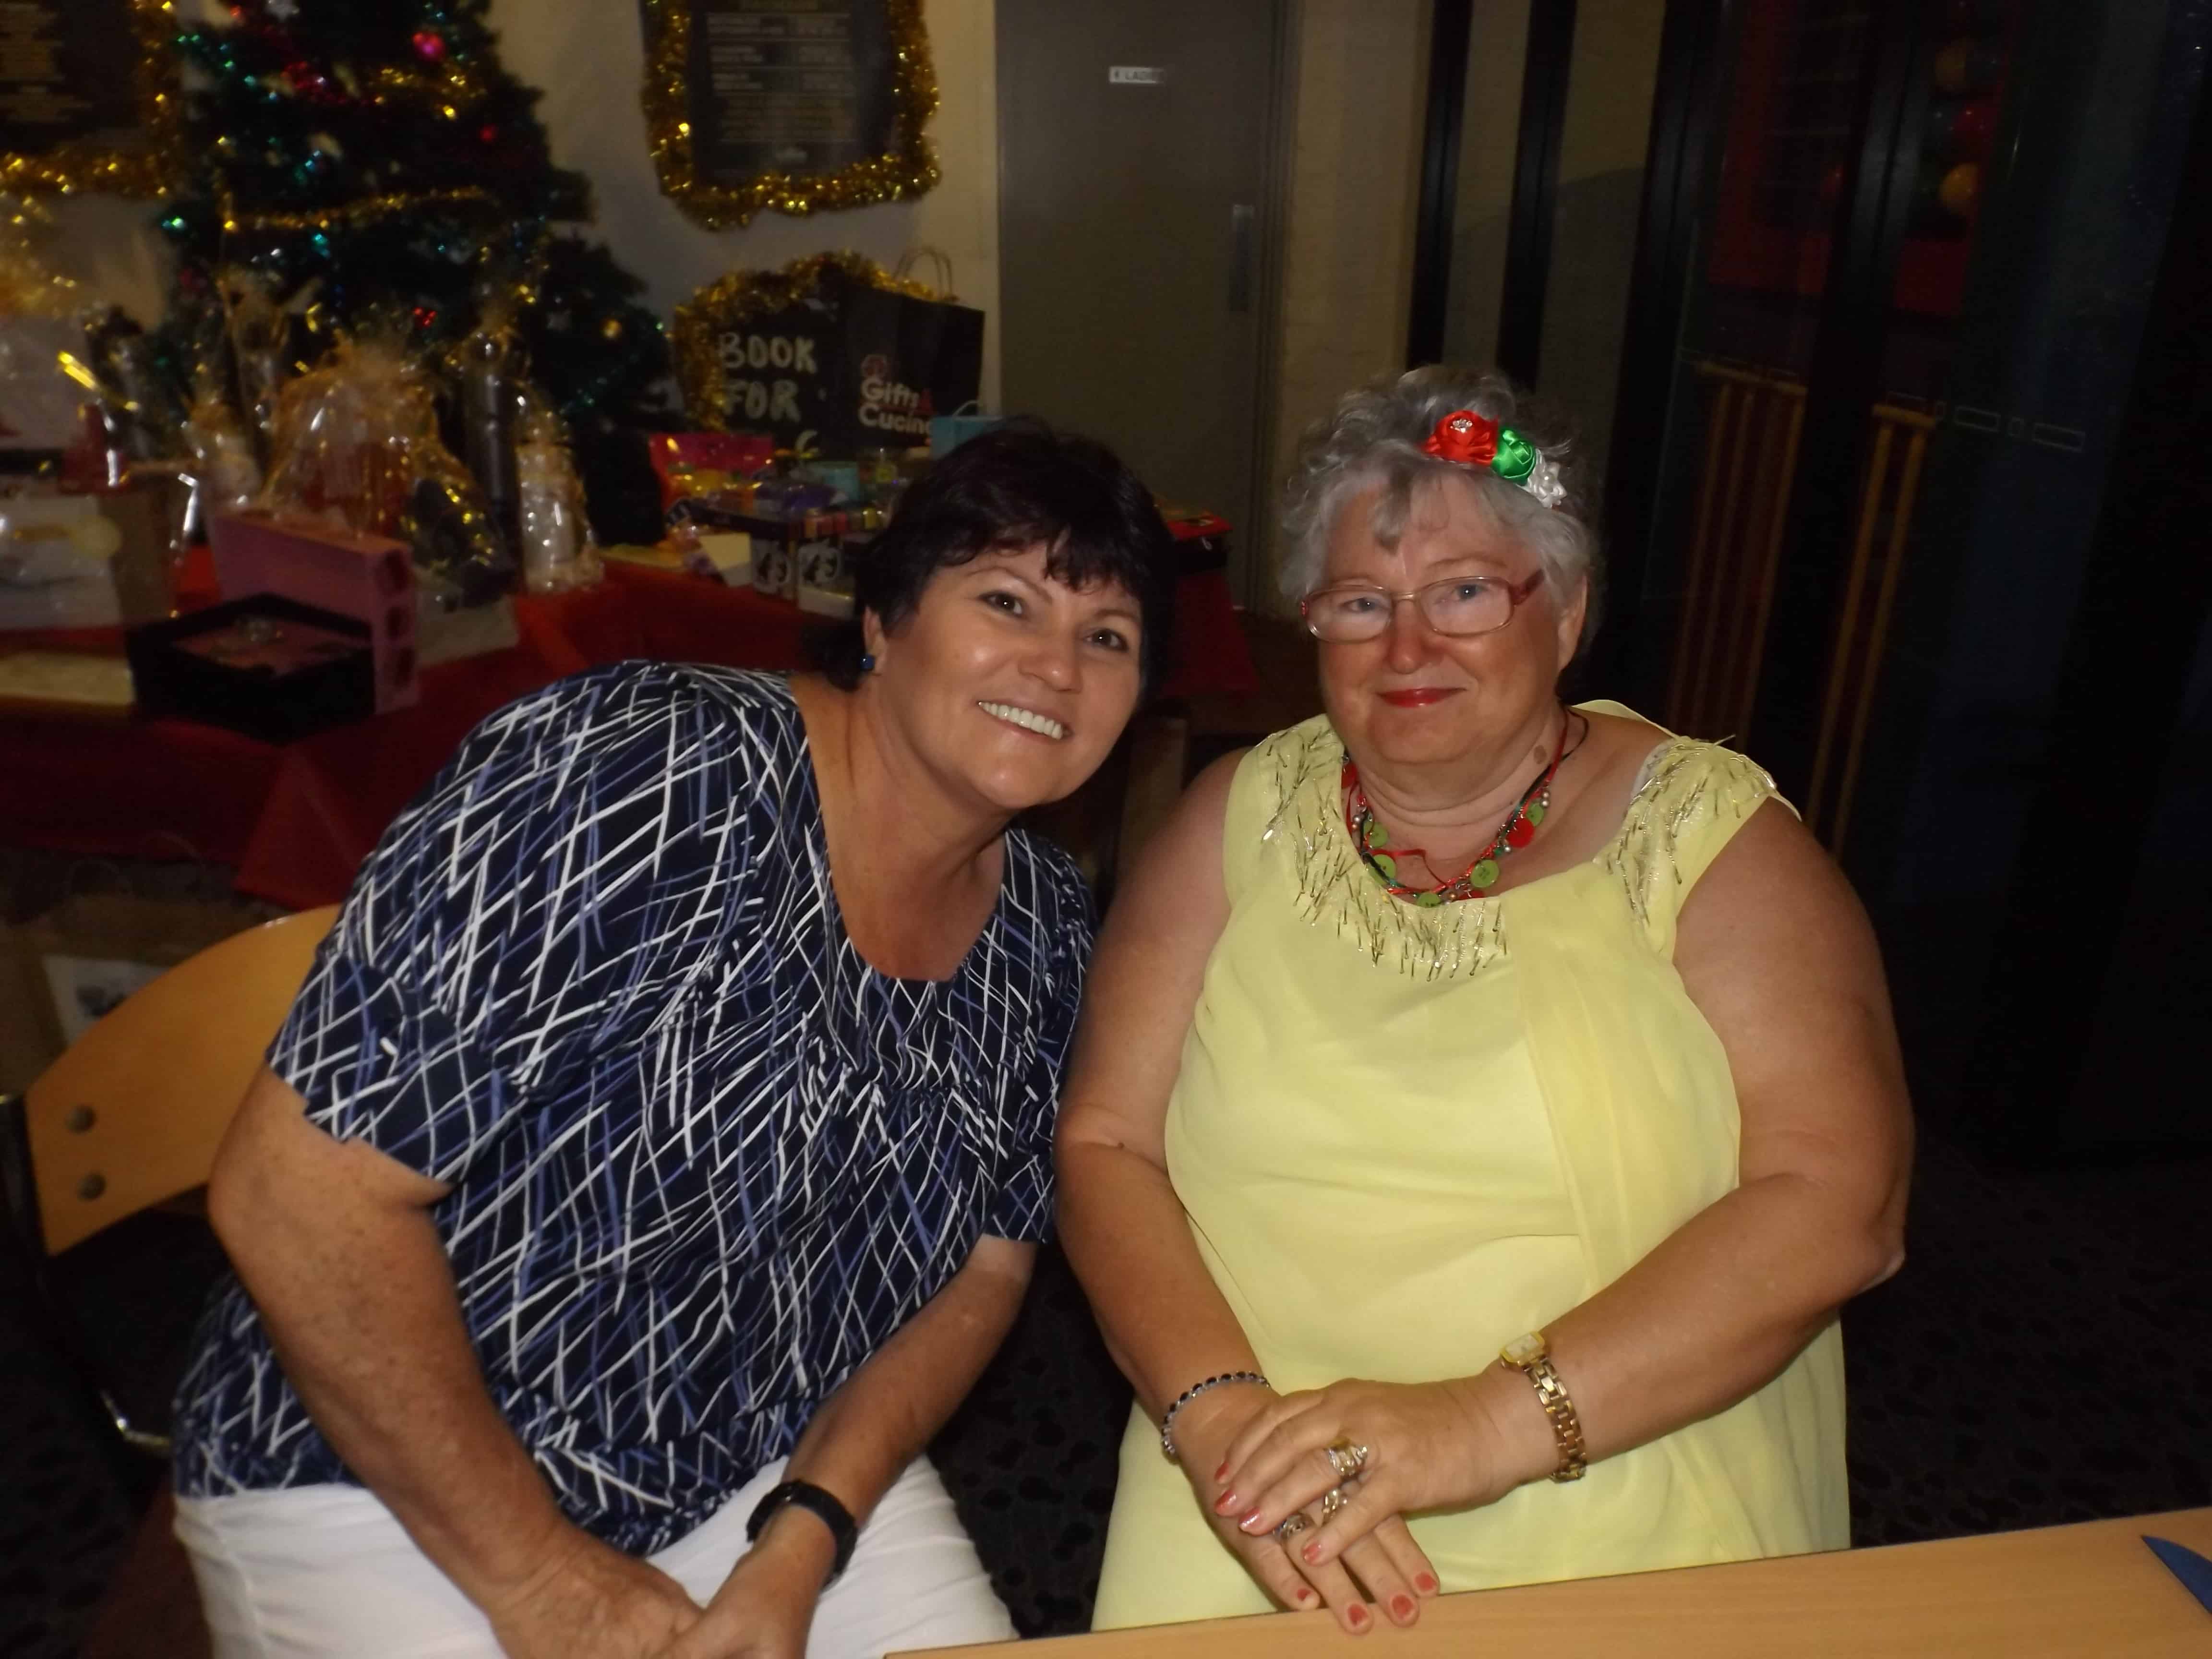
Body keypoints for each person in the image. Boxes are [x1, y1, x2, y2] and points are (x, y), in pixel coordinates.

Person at [169, 422, 1178, 1659]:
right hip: (382, 1470)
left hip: (761, 1460)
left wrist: (807, 1532)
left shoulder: (1046, 928)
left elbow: (987, 1269)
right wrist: (544, 1580)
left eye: (1107, 636)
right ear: (883, 621)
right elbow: (293, 1195)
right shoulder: (639, 777)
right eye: (1008, 601)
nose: (1056, 666)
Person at [1058, 368, 1912, 1636]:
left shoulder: (1712, 843)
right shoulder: (1236, 819)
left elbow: (1843, 1204)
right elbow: (1105, 1144)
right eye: (1362, 603)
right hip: (1257, 1488)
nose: (1407, 650)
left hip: (1615, 1482)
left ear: (1565, 613)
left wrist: (1482, 1424)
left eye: (1463, 593)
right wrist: (1216, 1411)